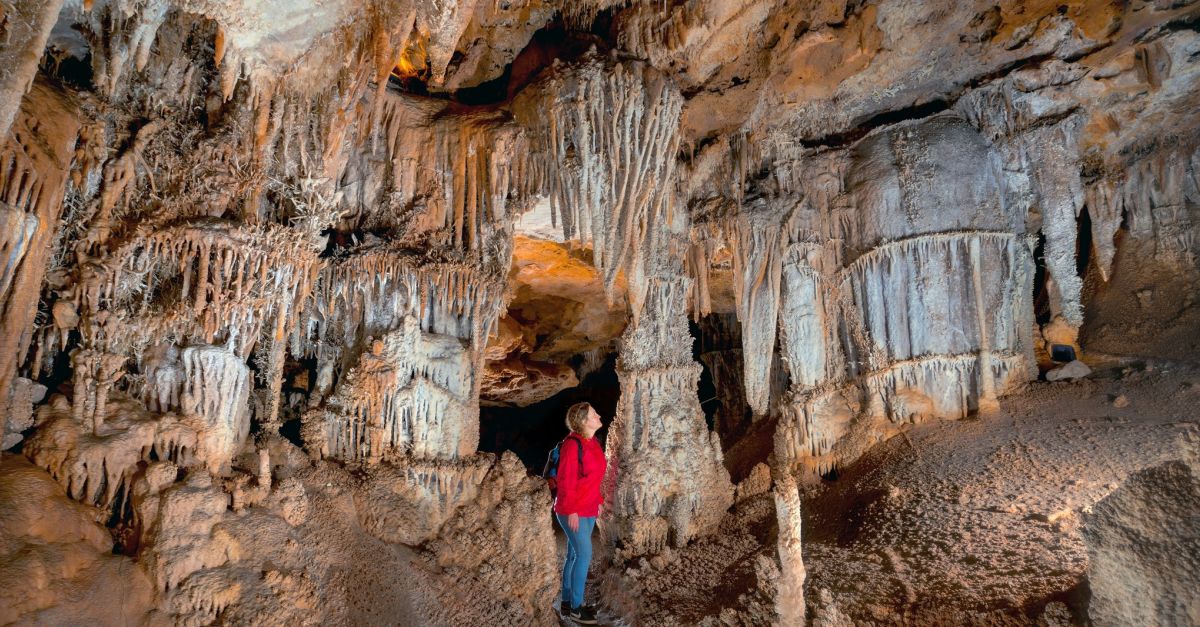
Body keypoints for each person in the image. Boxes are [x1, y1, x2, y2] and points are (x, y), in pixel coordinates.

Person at [554, 402, 606, 625]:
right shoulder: (572, 445)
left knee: (574, 555)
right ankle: (576, 608)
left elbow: (593, 479)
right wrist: (572, 510)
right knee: (584, 555)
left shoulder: (593, 442)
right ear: (584, 421)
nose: (598, 415)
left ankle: (567, 602)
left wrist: (599, 501)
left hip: (589, 508)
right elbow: (565, 480)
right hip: (572, 510)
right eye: (594, 414)